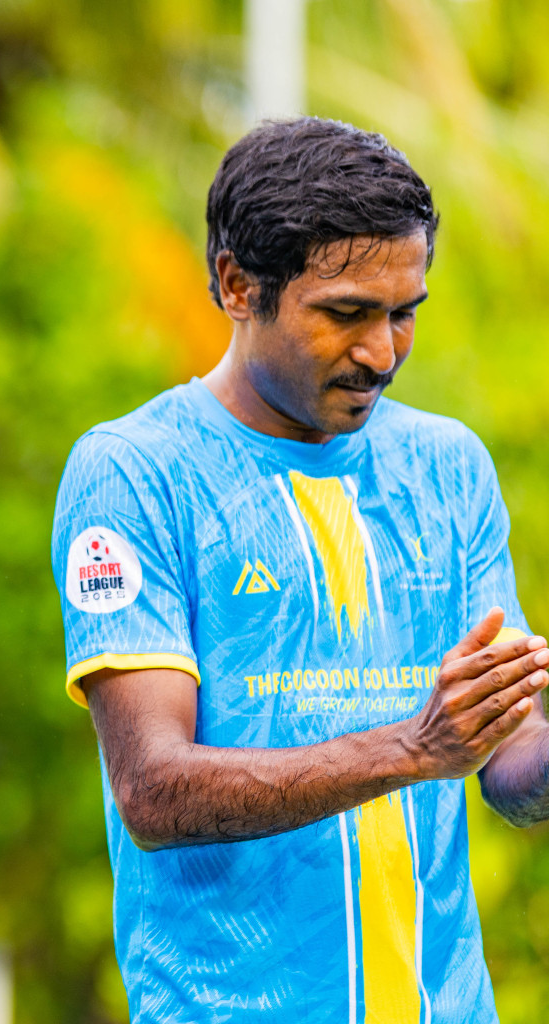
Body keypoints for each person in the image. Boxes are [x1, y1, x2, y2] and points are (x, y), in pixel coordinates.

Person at [51, 115, 549, 1022]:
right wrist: (412, 748)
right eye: (347, 314)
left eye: (404, 314)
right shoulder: (136, 472)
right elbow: (153, 790)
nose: (383, 353)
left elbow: (510, 765)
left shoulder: (448, 466)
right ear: (238, 286)